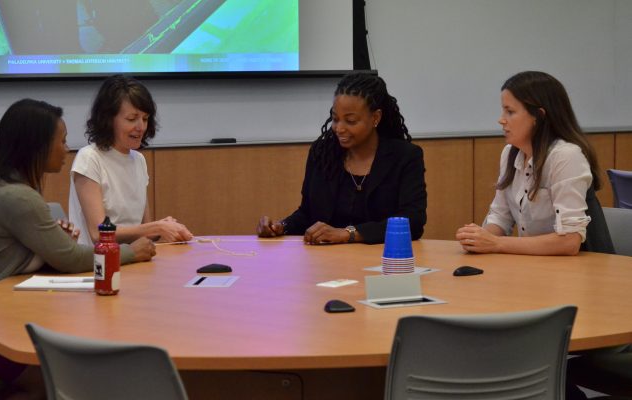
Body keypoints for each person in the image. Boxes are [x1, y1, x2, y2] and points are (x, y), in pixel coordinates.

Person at [0, 99, 156, 399]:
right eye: (60, 141)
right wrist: (132, 252)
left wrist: (44, 247)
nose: (66, 148)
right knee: (66, 354)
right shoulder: (16, 197)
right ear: (36, 146)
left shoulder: (5, 187)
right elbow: (71, 258)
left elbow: (33, 255)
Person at [257, 72, 427, 244]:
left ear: (375, 117)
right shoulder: (322, 154)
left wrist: (349, 234)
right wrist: (281, 226)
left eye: (350, 121)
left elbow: (413, 222)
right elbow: (307, 213)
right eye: (335, 119)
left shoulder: (405, 157)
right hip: (327, 261)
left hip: (382, 259)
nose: (339, 128)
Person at [455, 71, 604, 255]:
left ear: (538, 116)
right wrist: (478, 238)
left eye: (510, 111)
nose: (501, 119)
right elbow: (501, 217)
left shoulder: (566, 156)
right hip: (538, 265)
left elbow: (569, 241)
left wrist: (496, 243)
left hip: (581, 270)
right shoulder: (511, 153)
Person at [69, 74, 193, 246]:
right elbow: (98, 233)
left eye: (145, 119)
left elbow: (143, 230)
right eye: (132, 119)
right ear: (108, 119)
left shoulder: (139, 160)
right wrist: (155, 227)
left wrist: (165, 227)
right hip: (98, 265)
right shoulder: (89, 158)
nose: (141, 127)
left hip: (132, 259)